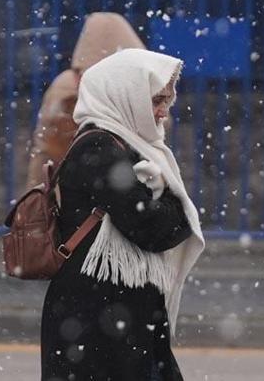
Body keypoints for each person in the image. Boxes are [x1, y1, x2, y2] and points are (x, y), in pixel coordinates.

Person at [40, 48, 205, 381]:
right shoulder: (99, 147)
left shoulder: (134, 148)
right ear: (125, 95)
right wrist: (173, 204)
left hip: (121, 314)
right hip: (96, 318)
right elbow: (153, 229)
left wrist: (166, 202)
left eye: (167, 102)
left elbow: (160, 222)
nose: (162, 112)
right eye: (155, 101)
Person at [27, 12, 146, 188]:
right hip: (105, 193)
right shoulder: (130, 90)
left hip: (68, 194)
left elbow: (48, 151)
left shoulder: (69, 85)